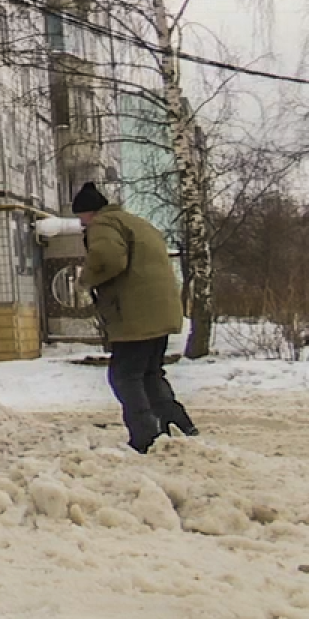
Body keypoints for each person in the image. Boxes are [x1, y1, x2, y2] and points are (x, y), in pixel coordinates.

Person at [75, 182, 198, 453]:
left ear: (88, 213)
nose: (81, 224)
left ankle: (146, 437)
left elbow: (109, 259)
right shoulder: (135, 222)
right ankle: (177, 424)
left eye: (81, 217)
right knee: (150, 373)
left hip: (135, 314)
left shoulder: (103, 225)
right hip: (160, 309)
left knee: (125, 376)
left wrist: (85, 280)